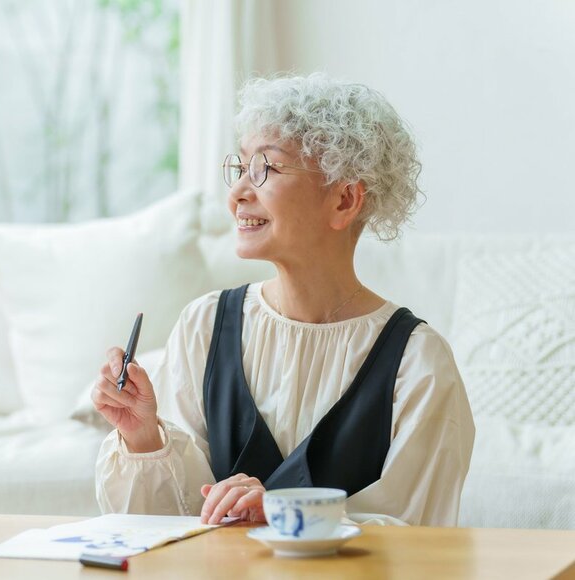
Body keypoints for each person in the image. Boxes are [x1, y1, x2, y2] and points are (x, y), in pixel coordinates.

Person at [92, 73, 474, 527]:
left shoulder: (419, 364)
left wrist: (282, 513)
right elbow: (169, 524)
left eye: (266, 169)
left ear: (344, 199)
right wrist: (143, 437)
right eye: (240, 168)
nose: (236, 195)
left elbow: (417, 539)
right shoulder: (205, 325)